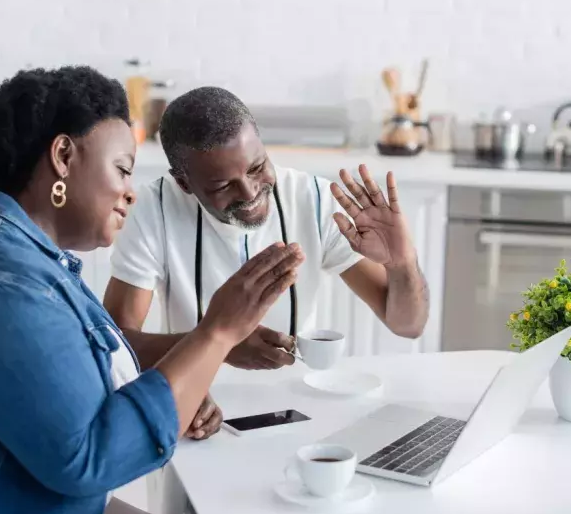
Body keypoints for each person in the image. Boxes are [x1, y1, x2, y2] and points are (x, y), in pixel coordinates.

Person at [0, 67, 303, 514]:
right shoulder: (2, 287)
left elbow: (75, 392)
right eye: (122, 168)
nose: (132, 191)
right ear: (64, 157)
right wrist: (217, 332)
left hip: (53, 511)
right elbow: (90, 458)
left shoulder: (25, 257)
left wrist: (185, 381)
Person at [104, 86, 430, 441]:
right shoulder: (153, 210)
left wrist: (403, 263)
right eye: (223, 185)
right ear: (183, 182)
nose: (249, 193)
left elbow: (408, 325)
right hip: (199, 408)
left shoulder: (314, 199)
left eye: (257, 166)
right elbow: (116, 344)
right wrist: (216, 344)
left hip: (299, 412)